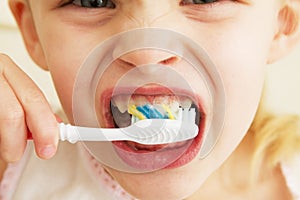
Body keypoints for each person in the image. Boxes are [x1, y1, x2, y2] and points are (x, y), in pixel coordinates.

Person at [0, 0, 300, 199]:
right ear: (32, 32)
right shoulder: (10, 167)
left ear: (282, 23)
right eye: (92, 0)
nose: (146, 53)